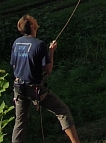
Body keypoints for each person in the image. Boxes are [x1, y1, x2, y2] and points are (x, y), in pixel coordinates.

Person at [10, 15, 80, 143]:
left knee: (20, 122)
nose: (36, 21)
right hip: (34, 88)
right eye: (33, 20)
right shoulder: (39, 44)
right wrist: (51, 52)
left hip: (18, 88)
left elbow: (14, 65)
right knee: (62, 110)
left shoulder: (17, 42)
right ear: (32, 26)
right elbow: (47, 69)